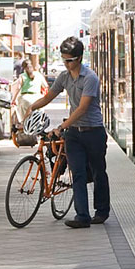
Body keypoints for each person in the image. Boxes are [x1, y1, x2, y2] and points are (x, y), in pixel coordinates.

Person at [27, 36, 111, 228]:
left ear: (79, 58)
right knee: (78, 173)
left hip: (93, 132)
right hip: (74, 134)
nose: (66, 63)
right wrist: (31, 108)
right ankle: (82, 216)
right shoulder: (64, 77)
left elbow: (82, 108)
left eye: (69, 60)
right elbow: (49, 96)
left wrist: (61, 127)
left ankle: (101, 211)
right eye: (63, 59)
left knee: (98, 172)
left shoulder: (90, 78)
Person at [12, 59, 46, 128]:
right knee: (39, 112)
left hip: (25, 98)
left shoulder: (22, 76)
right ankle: (39, 124)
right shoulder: (38, 74)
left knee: (20, 107)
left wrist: (14, 99)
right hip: (38, 98)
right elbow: (45, 86)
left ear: (23, 68)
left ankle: (23, 123)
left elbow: (18, 88)